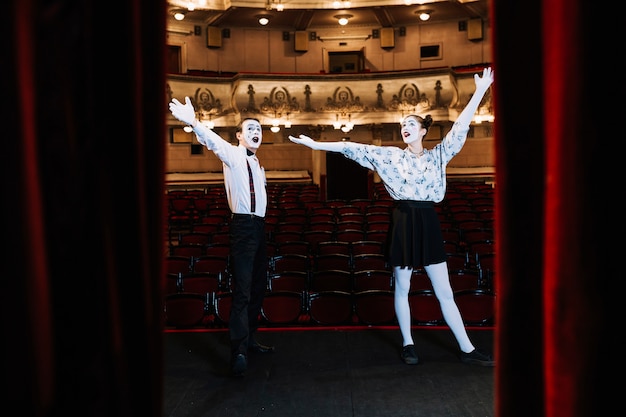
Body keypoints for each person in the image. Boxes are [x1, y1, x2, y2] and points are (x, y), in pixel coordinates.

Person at [289, 67, 495, 367]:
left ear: (423, 130)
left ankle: (467, 348)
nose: (404, 127)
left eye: (410, 123)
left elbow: (460, 128)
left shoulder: (439, 155)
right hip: (403, 221)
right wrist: (317, 145)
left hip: (427, 221)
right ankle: (408, 344)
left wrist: (479, 92)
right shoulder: (391, 157)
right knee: (402, 287)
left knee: (444, 291)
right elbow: (352, 148)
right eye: (402, 125)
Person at [169, 97, 274, 377]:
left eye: (259, 130)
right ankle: (238, 350)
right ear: (239, 135)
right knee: (242, 290)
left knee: (257, 287)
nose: (256, 132)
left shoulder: (258, 163)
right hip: (242, 227)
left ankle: (250, 339)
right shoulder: (232, 153)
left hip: (259, 228)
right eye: (250, 128)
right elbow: (211, 139)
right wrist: (193, 121)